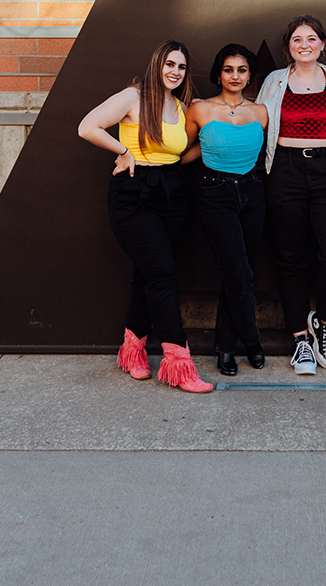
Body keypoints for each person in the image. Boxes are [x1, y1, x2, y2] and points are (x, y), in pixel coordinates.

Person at [78, 39, 213, 394]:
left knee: (148, 273)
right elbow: (87, 126)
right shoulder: (133, 97)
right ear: (157, 65)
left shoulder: (182, 107)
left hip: (172, 190)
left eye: (181, 67)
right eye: (170, 64)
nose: (175, 71)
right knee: (163, 275)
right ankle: (178, 363)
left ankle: (132, 351)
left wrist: (210, 136)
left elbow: (180, 152)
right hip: (134, 193)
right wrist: (124, 151)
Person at [257, 15, 326, 375]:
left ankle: (325, 325)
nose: (305, 45)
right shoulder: (275, 80)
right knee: (291, 258)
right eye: (297, 39)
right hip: (285, 170)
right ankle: (300, 339)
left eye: (311, 39)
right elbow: (258, 121)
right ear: (289, 47)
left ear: (322, 44)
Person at [185, 44, 268, 376]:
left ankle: (224, 347)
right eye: (229, 69)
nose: (236, 76)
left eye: (242, 69)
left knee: (240, 273)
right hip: (215, 193)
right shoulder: (200, 109)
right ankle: (251, 340)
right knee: (239, 273)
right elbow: (186, 149)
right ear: (219, 73)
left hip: (252, 194)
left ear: (249, 75)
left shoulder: (261, 111)